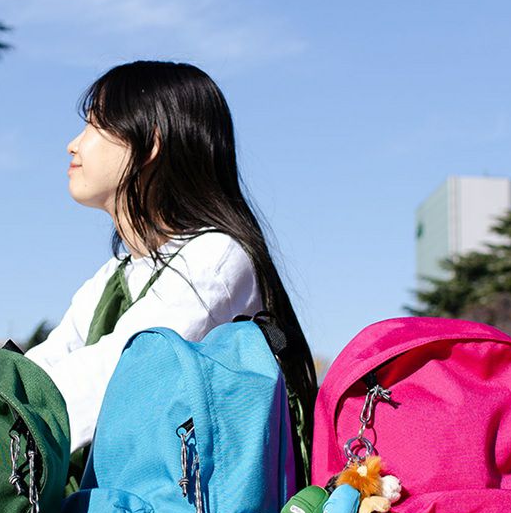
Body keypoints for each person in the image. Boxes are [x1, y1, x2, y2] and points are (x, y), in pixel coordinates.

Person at [26, 60, 317, 476]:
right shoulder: (114, 276)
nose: (74, 144)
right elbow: (44, 365)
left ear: (151, 143)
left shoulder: (216, 257)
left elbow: (118, 373)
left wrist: (1, 420)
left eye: (95, 125)